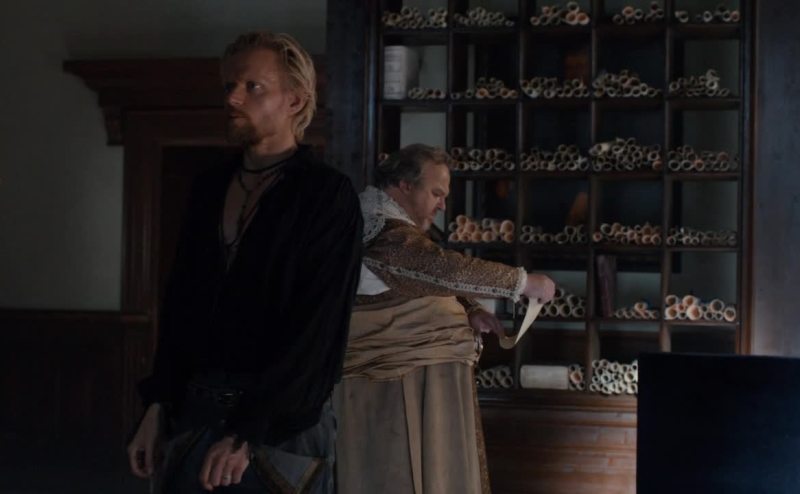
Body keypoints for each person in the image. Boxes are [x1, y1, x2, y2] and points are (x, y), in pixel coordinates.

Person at [126, 31, 362, 493]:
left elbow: (317, 329)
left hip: (282, 428)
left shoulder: (326, 195)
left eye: (253, 86)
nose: (233, 98)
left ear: (295, 100)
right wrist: (156, 406)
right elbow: (180, 307)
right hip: (192, 413)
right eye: (230, 86)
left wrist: (250, 431)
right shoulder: (209, 187)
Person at [334, 144, 556, 493]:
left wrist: (470, 309)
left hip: (407, 381)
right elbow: (441, 268)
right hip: (384, 388)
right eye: (436, 193)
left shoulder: (393, 224)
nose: (442, 205)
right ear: (405, 186)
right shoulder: (383, 229)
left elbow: (424, 279)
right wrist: (522, 283)